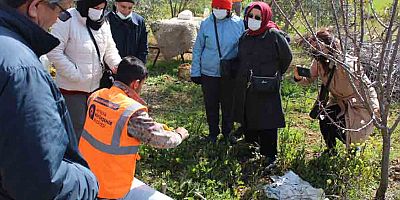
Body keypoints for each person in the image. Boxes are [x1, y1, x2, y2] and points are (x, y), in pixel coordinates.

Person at [0, 0, 99, 199]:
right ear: (34, 7)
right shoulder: (24, 72)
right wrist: (87, 180)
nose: (57, 20)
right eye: (61, 12)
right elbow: (43, 183)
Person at [79, 56, 189, 199]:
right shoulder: (131, 112)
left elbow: (112, 124)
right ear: (136, 84)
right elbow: (162, 140)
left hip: (86, 176)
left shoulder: (96, 96)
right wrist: (179, 134)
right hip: (110, 187)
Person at [294, 28, 379, 155]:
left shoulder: (347, 63)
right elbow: (310, 78)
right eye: (313, 47)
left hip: (356, 106)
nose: (315, 49)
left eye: (318, 45)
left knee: (350, 131)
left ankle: (353, 149)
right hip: (339, 102)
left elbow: (367, 86)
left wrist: (375, 108)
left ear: (328, 44)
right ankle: (331, 150)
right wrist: (298, 77)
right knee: (325, 119)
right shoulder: (319, 61)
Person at [47, 0, 122, 140]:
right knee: (74, 129)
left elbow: (110, 49)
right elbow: (54, 51)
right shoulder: (67, 19)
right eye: (95, 7)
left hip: (95, 89)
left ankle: (87, 159)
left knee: (92, 129)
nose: (98, 11)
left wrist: (117, 65)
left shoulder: (103, 22)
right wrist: (76, 75)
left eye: (101, 8)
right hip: (71, 89)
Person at [233, 2, 292, 165]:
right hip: (248, 85)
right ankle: (252, 145)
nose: (253, 19)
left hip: (267, 85)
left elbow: (286, 57)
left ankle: (270, 155)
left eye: (258, 17)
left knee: (268, 118)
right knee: (250, 114)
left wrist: (274, 74)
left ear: (265, 17)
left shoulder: (273, 34)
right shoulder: (246, 36)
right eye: (251, 16)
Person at [190, 0, 244, 143]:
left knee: (229, 105)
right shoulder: (206, 23)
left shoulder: (239, 24)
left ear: (229, 9)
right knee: (211, 104)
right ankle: (213, 133)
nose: (218, 10)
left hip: (229, 73)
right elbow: (197, 49)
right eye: (216, 7)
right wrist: (195, 71)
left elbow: (244, 48)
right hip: (208, 72)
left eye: (222, 8)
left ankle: (228, 133)